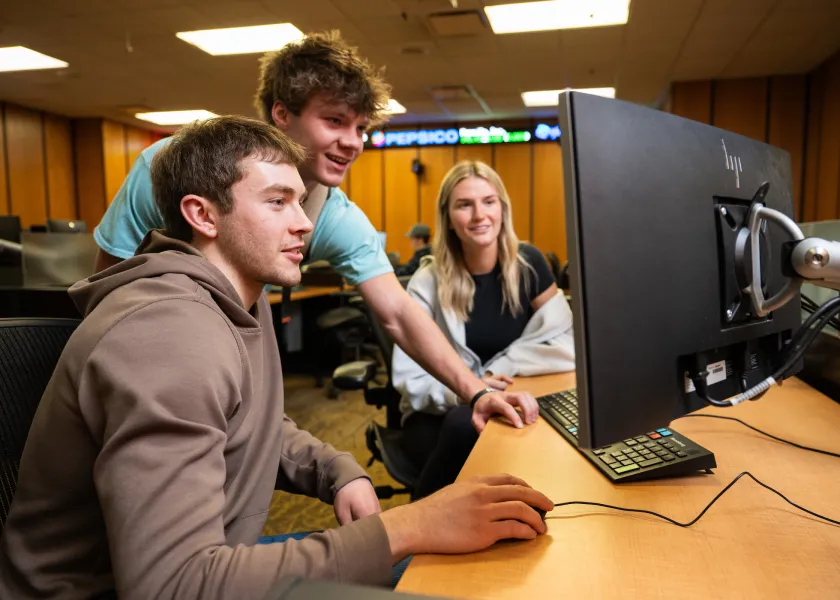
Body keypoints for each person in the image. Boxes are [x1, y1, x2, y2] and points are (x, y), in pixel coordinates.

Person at [0, 118, 554, 600]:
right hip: (141, 587)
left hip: (212, 560)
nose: (305, 223)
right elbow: (173, 586)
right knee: (439, 572)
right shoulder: (167, 335)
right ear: (202, 215)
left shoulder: (238, 296)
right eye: (277, 201)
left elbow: (246, 420)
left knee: (458, 569)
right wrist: (409, 525)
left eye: (300, 199)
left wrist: (334, 471)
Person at [92, 30, 537, 442]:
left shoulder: (333, 214)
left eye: (361, 127)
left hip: (227, 367)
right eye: (335, 121)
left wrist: (475, 392)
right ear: (281, 114)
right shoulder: (167, 168)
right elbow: (106, 294)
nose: (354, 142)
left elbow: (398, 312)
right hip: (142, 365)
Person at [392, 161, 576, 499]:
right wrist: (471, 390)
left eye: (489, 201)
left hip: (508, 393)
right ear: (448, 217)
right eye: (465, 205)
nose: (479, 215)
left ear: (502, 209)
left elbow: (568, 340)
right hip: (435, 413)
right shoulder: (427, 281)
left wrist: (498, 369)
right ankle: (418, 532)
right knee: (466, 425)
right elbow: (411, 380)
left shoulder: (528, 264)